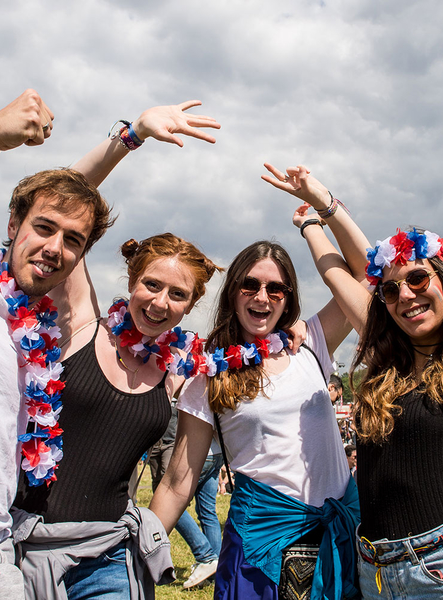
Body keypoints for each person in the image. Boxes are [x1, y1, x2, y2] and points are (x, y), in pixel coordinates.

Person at [263, 161, 443, 598]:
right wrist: (312, 218)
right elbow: (339, 272)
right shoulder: (389, 366)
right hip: (376, 574)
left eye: (418, 278)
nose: (404, 294)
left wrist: (323, 202)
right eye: (389, 290)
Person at [10, 103, 223, 598]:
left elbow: (176, 480)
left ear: (190, 306)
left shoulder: (184, 373)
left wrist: (145, 541)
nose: (160, 302)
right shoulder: (84, 323)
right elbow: (56, 201)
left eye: (178, 295)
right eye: (152, 285)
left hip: (109, 558)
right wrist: (132, 137)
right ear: (131, 281)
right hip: (25, 545)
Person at [0, 90, 113, 600]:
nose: (55, 247)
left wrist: (130, 138)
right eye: (43, 227)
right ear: (12, 226)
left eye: (73, 239)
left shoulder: (39, 331)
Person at [150, 190, 371, 599]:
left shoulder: (311, 342)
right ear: (234, 291)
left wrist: (316, 218)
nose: (262, 296)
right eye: (250, 285)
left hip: (339, 533)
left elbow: (364, 276)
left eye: (276, 288)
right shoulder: (209, 373)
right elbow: (179, 480)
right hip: (262, 544)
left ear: (288, 297)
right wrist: (137, 552)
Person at [149, 402, 222, 589]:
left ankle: (205, 556)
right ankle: (217, 568)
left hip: (198, 451)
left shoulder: (190, 376)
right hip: (216, 452)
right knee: (207, 512)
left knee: (172, 503)